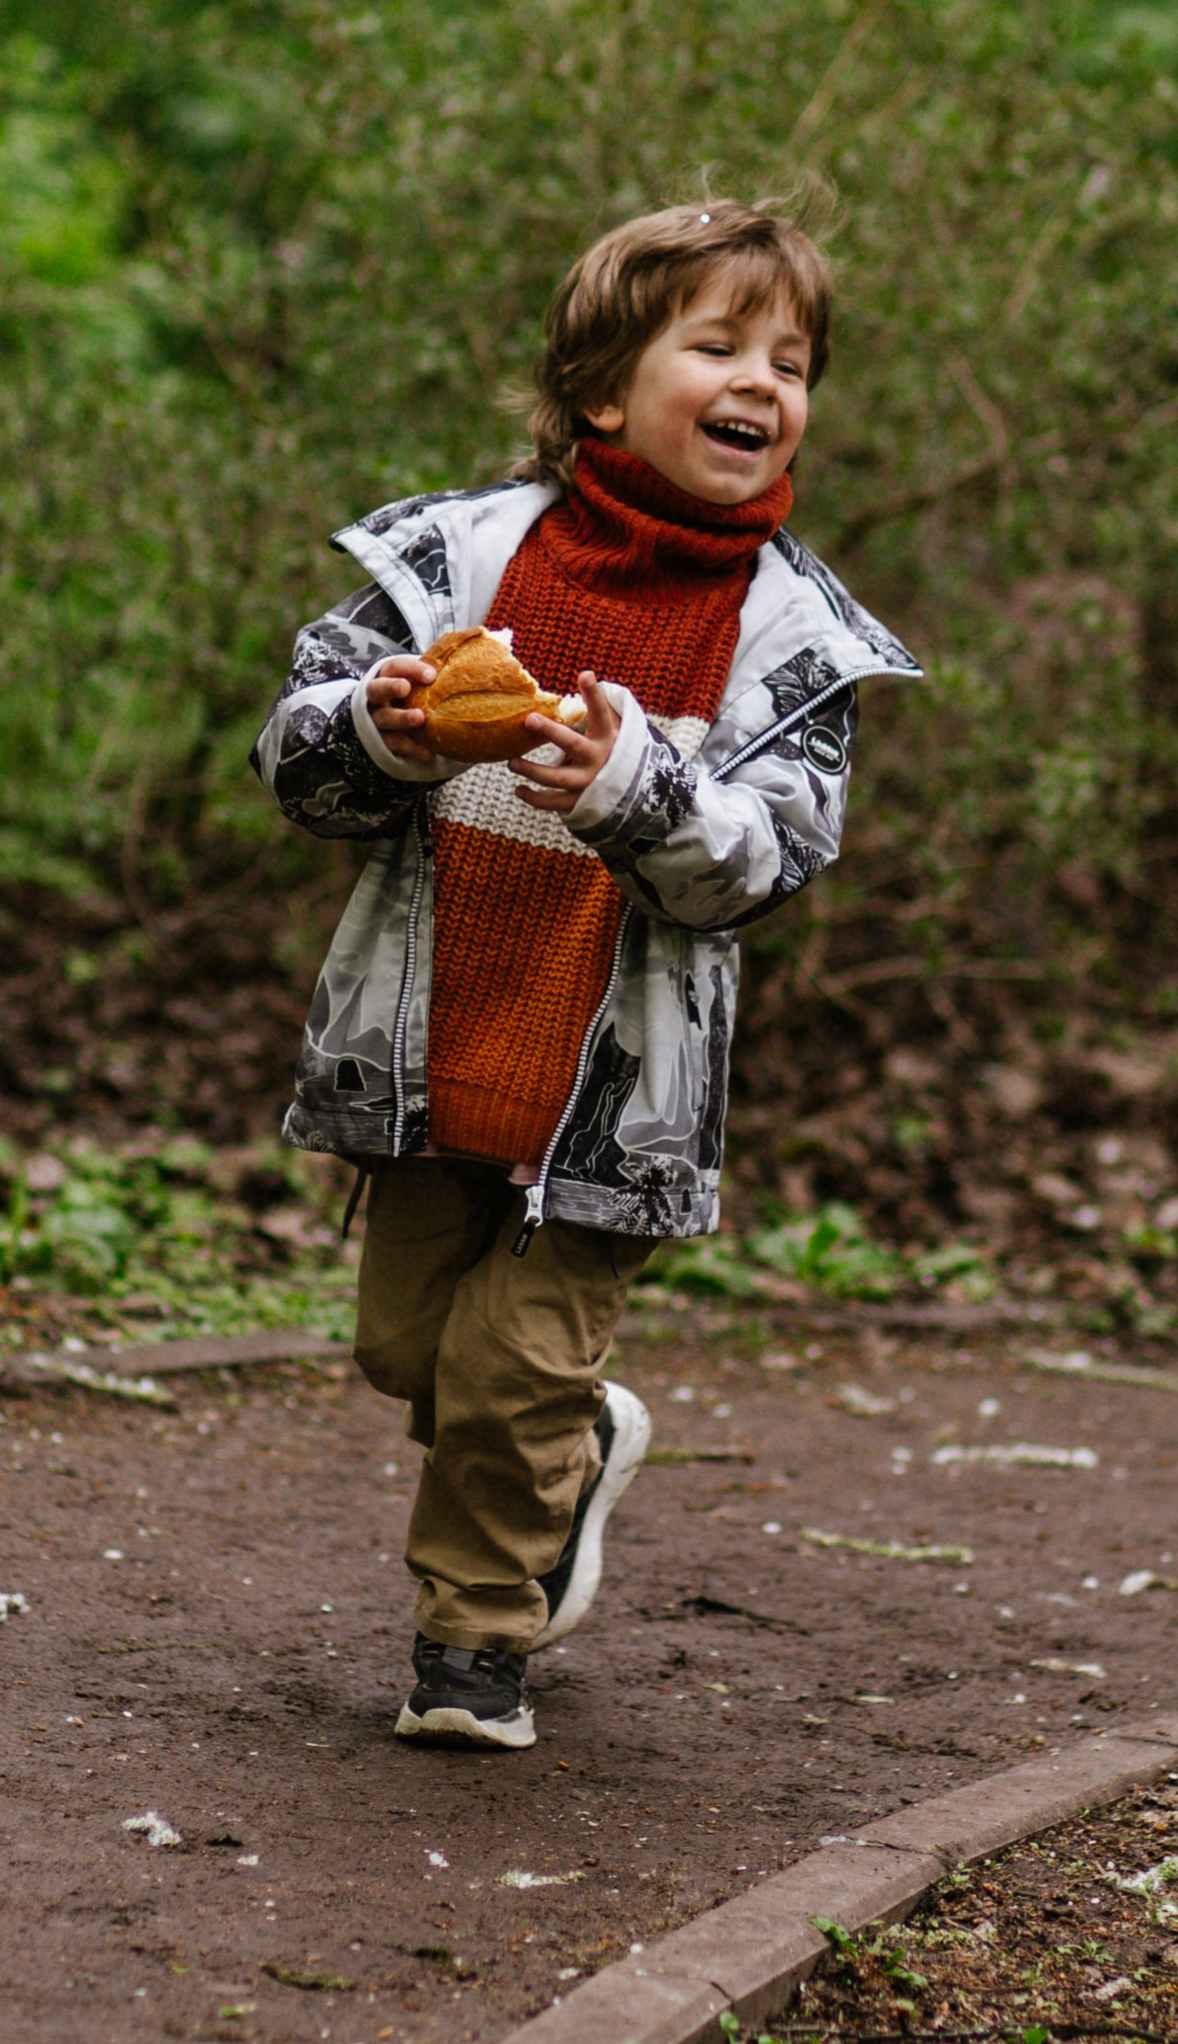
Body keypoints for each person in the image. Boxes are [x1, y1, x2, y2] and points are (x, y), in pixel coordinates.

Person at [252, 197, 921, 1749]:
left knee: (506, 1369)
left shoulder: (794, 639)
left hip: (615, 1099)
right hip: (429, 1043)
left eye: (794, 359)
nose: (766, 381)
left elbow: (769, 864)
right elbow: (295, 760)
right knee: (407, 1351)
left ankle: (471, 1652)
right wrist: (379, 724)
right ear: (604, 394)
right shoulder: (453, 561)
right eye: (720, 345)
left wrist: (637, 788)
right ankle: (574, 1442)